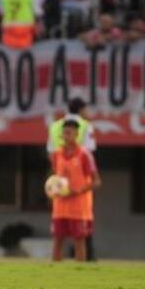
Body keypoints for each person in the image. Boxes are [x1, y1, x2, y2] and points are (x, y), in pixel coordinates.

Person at [48, 97, 97, 260]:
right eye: (65, 131)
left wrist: (78, 189)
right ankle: (55, 274)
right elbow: (55, 169)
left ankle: (80, 271)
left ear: (76, 133)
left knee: (79, 240)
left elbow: (95, 178)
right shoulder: (86, 126)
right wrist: (53, 187)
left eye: (70, 132)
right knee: (58, 239)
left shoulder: (83, 154)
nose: (66, 134)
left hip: (79, 203)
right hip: (61, 202)